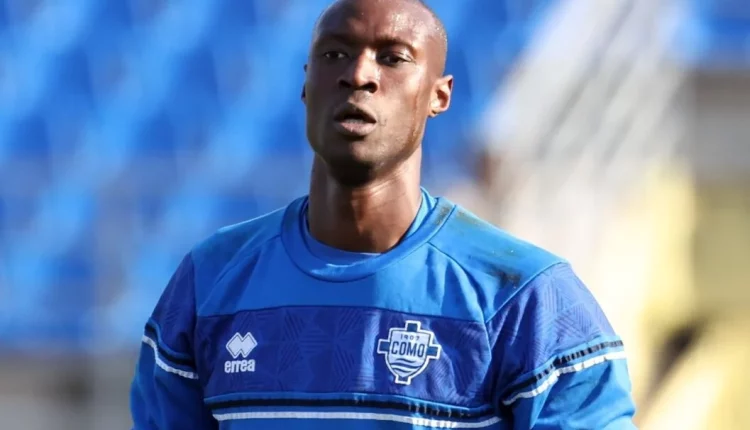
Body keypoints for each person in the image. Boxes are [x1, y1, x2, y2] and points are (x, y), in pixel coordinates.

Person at [129, 0, 637, 428]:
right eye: (335, 54)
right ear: (307, 84)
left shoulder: (527, 298)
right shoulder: (209, 281)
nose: (358, 76)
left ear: (439, 95)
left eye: (393, 58)